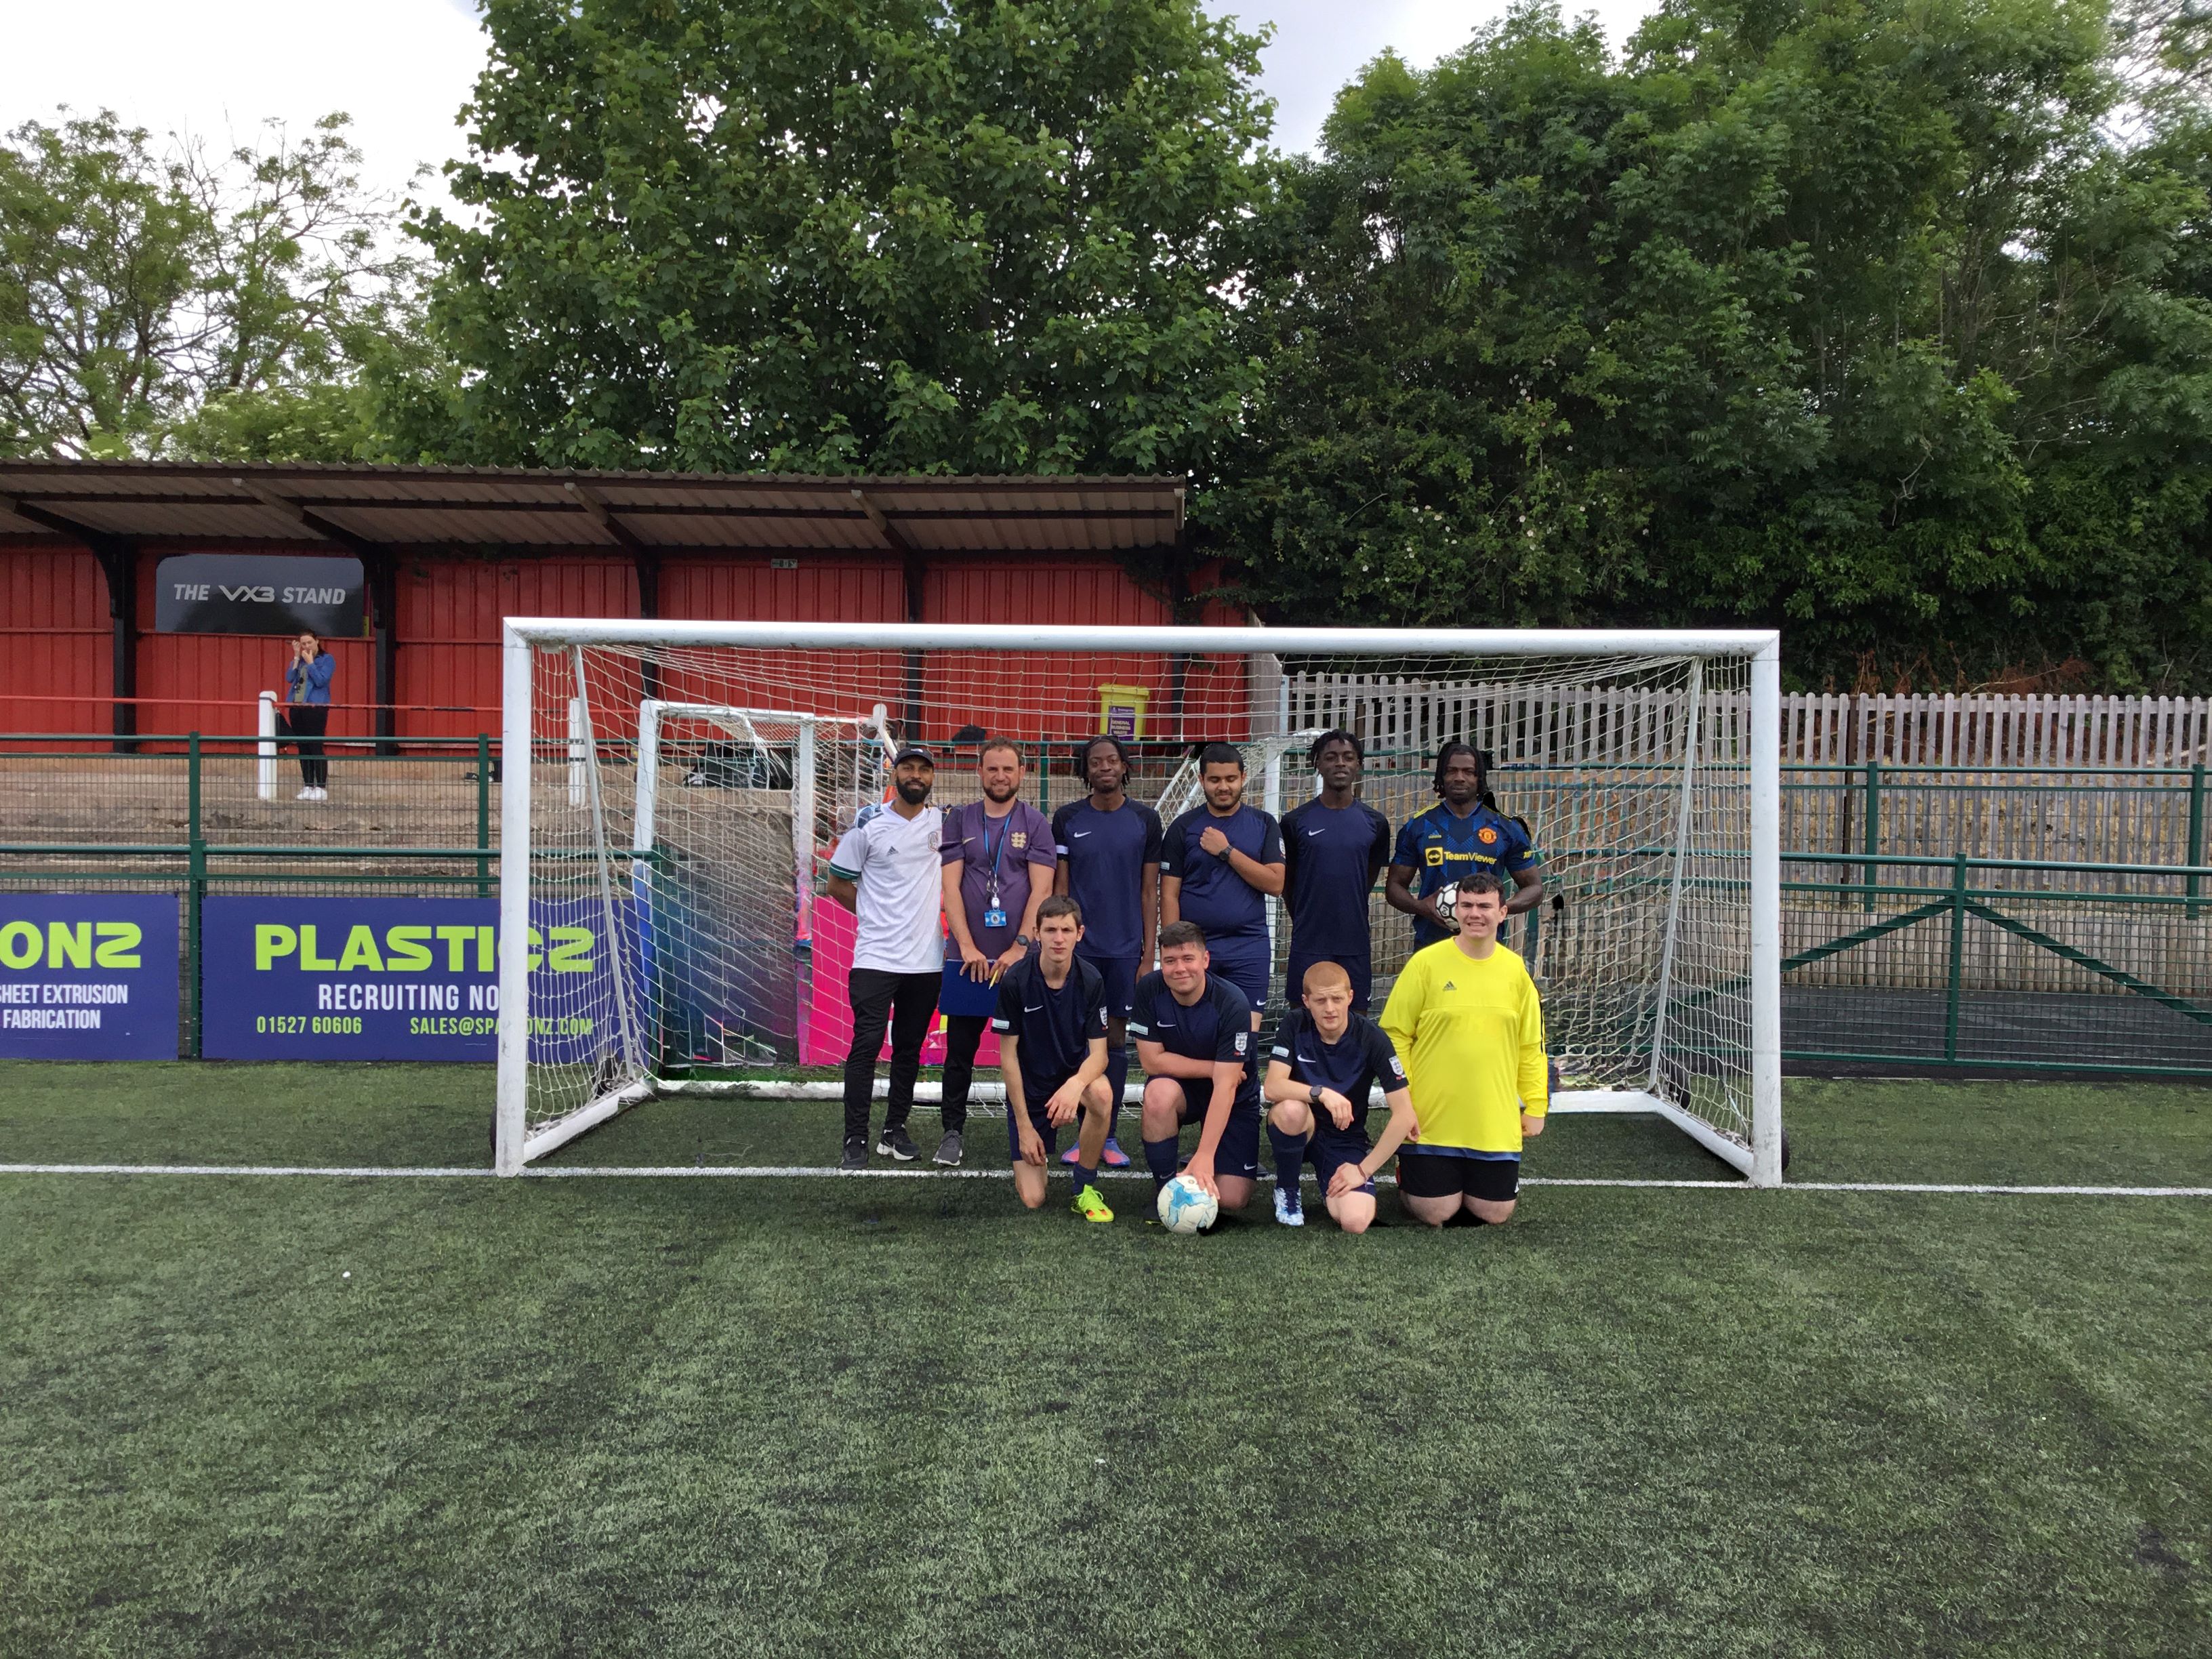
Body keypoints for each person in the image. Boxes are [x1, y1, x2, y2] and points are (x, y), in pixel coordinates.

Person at [1378, 872, 1549, 1226]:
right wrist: (1404, 1102)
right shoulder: (1425, 964)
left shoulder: (1515, 970)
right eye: (1467, 905)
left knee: (1494, 1214)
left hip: (1492, 1121)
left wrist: (1536, 1105)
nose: (1475, 913)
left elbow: (1531, 1045)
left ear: (1502, 913)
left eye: (1485, 906)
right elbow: (1395, 1034)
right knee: (1435, 1212)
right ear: (1455, 910)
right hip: (1431, 1117)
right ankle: (1405, 1173)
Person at [936, 737, 1057, 1168]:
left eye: (1008, 769)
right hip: (967, 957)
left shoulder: (1037, 823)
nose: (1000, 776)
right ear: (980, 772)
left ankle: (1033, 1133)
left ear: (1021, 773)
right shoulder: (959, 819)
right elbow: (950, 885)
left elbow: (1042, 890)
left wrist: (1021, 946)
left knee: (1027, 1052)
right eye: (993, 769)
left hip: (1022, 961)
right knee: (960, 1050)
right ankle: (952, 1131)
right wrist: (966, 944)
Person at [824, 747, 945, 1170]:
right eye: (908, 768)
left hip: (927, 961)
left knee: (909, 1049)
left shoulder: (943, 823)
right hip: (876, 957)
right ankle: (854, 1137)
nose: (916, 775)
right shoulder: (867, 824)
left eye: (924, 769)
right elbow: (836, 883)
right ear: (895, 775)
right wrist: (876, 914)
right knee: (867, 1045)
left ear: (933, 777)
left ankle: (894, 1131)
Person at [1051, 734, 1161, 1170]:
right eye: (1096, 762)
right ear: (1086, 770)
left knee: (1115, 1040)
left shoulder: (1145, 820)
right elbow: (1061, 889)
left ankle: (1109, 1134)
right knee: (1079, 1037)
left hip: (1123, 952)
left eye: (1112, 760)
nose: (1104, 768)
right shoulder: (1066, 818)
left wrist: (1148, 955)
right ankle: (1081, 1131)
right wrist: (1060, 944)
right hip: (1081, 951)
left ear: (1123, 767)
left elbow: (1149, 891)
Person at [1261, 960, 1419, 1231]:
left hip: (1345, 1137)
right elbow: (1273, 1087)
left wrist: (1362, 1170)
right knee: (1290, 1110)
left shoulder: (1373, 1038)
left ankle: (1334, 1173)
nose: (1330, 1008)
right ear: (1306, 1001)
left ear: (1350, 997)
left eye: (1337, 998)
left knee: (1355, 1221)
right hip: (1302, 1124)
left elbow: (1405, 1115)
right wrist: (1321, 1094)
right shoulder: (1294, 1024)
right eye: (1320, 1000)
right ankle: (1287, 1190)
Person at [1160, 743, 1283, 1067]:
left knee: (1245, 1039)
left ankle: (1240, 1113)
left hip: (1248, 945)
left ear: (1243, 777)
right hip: (1198, 948)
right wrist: (1177, 946)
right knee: (1198, 1032)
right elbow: (1169, 894)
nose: (1223, 786)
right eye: (1215, 779)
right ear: (1202, 780)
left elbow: (1276, 883)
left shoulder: (1264, 824)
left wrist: (1226, 851)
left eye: (1231, 778)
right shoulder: (1183, 828)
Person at [994, 895, 1116, 1221]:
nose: (1058, 938)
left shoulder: (1092, 980)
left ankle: (1084, 1188)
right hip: (1032, 1089)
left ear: (1080, 933)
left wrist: (1075, 1085)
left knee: (1102, 1092)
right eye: (1050, 930)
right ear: (1037, 933)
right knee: (1034, 1199)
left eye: (1066, 929)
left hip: (1073, 1081)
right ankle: (1038, 1148)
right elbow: (1008, 1060)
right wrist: (1024, 1127)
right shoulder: (1016, 980)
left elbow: (1100, 1055)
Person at [1130, 920, 1262, 1218]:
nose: (1180, 969)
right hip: (1183, 1088)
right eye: (1170, 961)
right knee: (1158, 1093)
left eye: (1188, 959)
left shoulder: (1233, 1003)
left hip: (1235, 1095)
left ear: (1205, 960)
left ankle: (1199, 1165)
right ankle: (1165, 1188)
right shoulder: (1149, 989)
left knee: (1231, 1199)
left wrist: (1205, 1155)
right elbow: (1152, 1061)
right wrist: (1215, 1068)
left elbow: (1227, 1085)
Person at [1385, 740, 1542, 949]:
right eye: (1452, 771)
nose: (1460, 778)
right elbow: (1394, 886)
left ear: (1479, 778)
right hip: (1432, 946)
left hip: (1486, 948)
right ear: (1442, 776)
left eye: (1468, 772)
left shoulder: (1506, 828)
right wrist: (1421, 907)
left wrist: (1500, 908)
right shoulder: (1419, 826)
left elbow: (1534, 888)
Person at [1279, 729, 1393, 1011]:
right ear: (1317, 764)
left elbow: (1366, 878)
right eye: (1331, 757)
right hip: (1308, 941)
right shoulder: (1295, 821)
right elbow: (1288, 883)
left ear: (1359, 764)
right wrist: (1309, 916)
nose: (1340, 763)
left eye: (1348, 757)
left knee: (1354, 1022)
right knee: (1303, 1023)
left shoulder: (1375, 823)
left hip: (1354, 942)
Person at [279, 632, 335, 801]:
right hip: (297, 705)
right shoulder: (300, 659)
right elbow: (290, 678)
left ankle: (321, 787)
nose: (307, 647)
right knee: (303, 746)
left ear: (317, 641)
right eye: (303, 644)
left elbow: (321, 681)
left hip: (315, 707)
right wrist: (296, 658)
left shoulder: (327, 659)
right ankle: (308, 784)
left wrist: (311, 664)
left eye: (309, 642)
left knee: (315, 745)